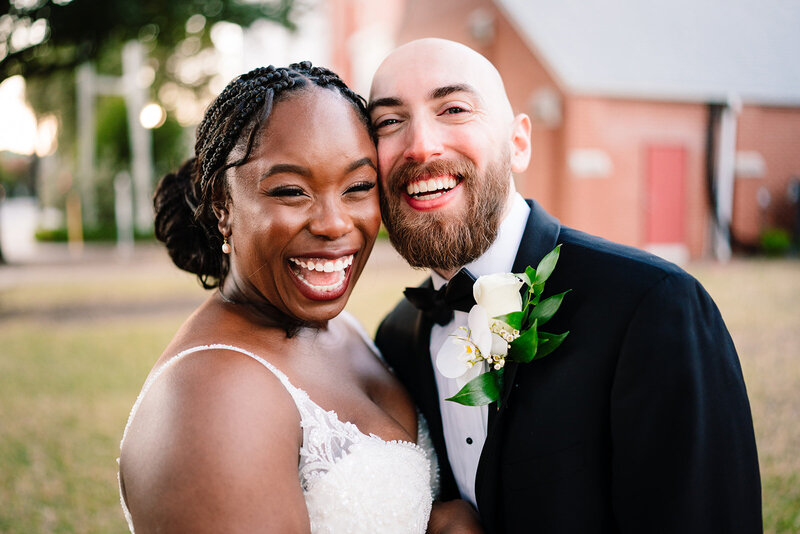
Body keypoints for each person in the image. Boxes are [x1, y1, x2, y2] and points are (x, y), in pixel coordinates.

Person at [371, 38, 762, 533]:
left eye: (453, 108)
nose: (421, 145)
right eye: (388, 122)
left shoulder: (654, 307)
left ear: (519, 143)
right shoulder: (396, 339)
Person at [118, 62, 481, 533]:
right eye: (292, 191)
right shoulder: (210, 399)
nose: (334, 223)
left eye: (358, 187)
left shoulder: (339, 327)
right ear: (221, 206)